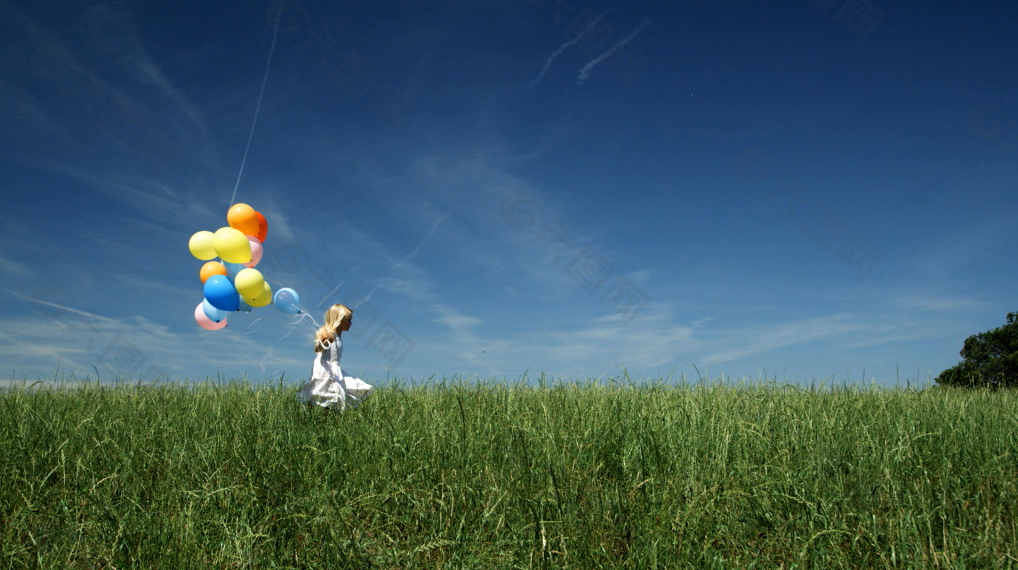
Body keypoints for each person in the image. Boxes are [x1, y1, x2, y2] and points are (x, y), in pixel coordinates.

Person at [297, 304, 374, 411]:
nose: (351, 323)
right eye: (348, 320)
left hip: (335, 369)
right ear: (338, 319)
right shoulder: (328, 333)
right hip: (325, 369)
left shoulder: (339, 336)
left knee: (338, 393)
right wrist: (325, 340)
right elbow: (317, 349)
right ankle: (314, 416)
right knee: (323, 393)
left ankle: (326, 417)